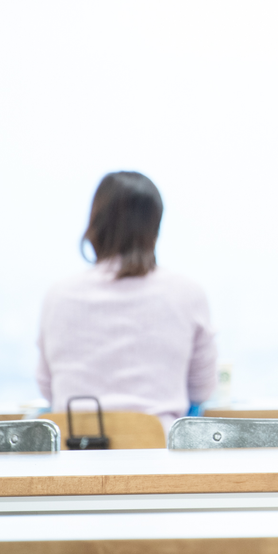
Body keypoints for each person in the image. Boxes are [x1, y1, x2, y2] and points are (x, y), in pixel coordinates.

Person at [37, 171, 217, 429]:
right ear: (155, 228)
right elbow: (202, 389)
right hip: (158, 448)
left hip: (75, 447)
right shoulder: (188, 294)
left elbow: (48, 388)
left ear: (95, 224)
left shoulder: (58, 296)